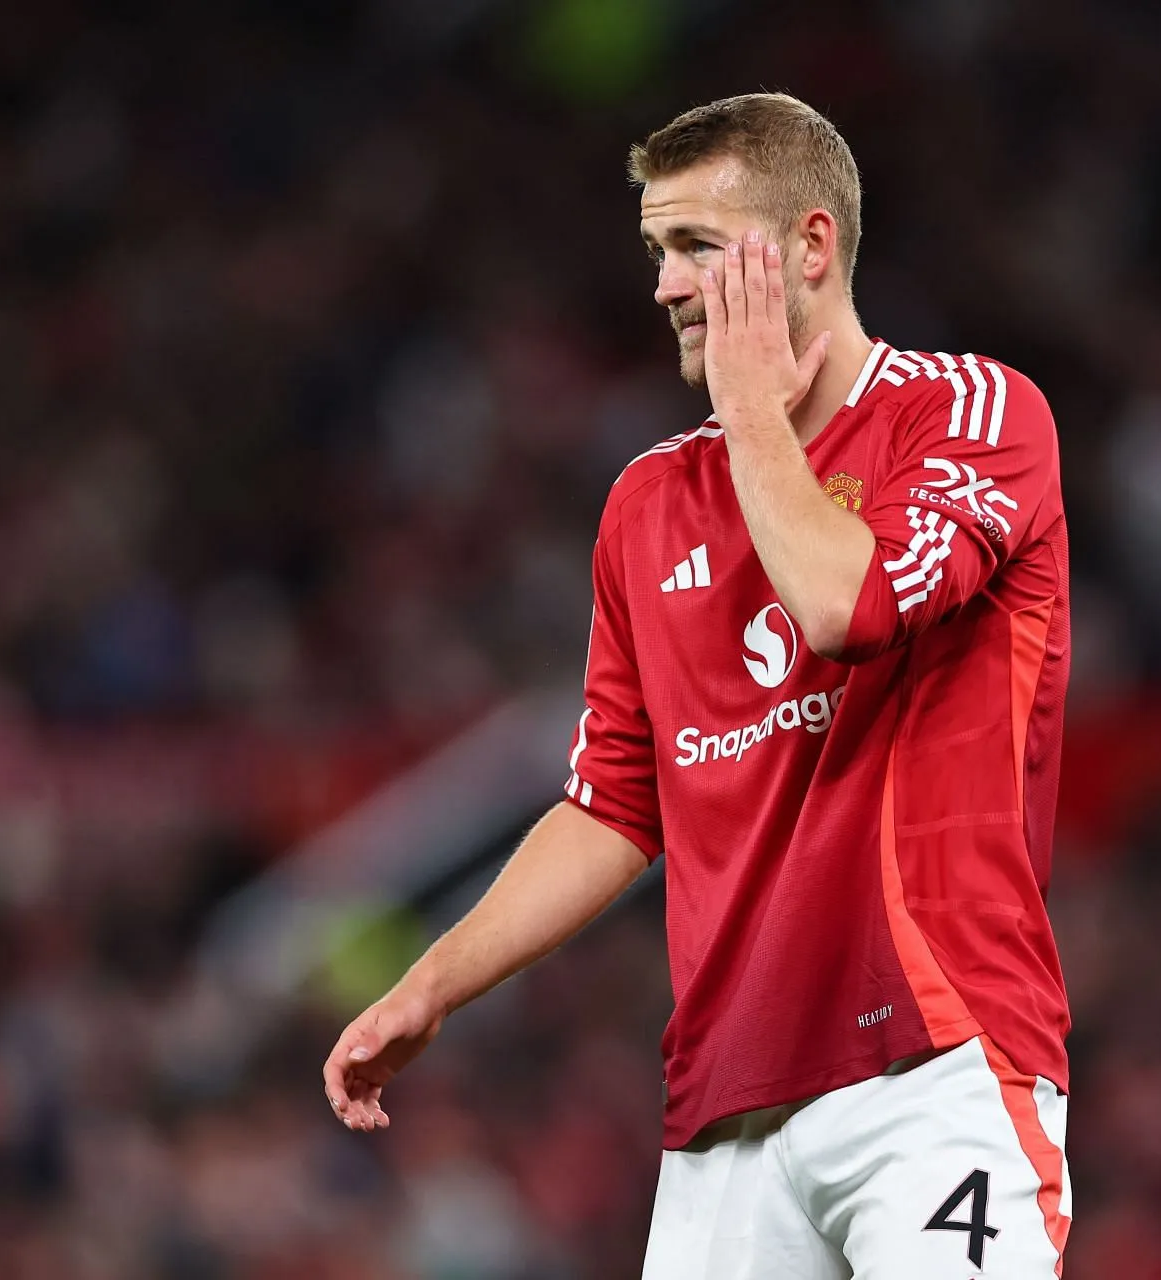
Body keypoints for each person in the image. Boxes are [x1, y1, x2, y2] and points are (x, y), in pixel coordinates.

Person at [322, 92, 1072, 1279]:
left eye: (697, 249)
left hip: (938, 1066)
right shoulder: (646, 504)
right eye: (657, 252)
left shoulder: (970, 414)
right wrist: (434, 982)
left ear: (812, 247)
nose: (666, 286)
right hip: (726, 1117)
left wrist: (751, 414)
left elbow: (844, 607)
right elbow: (616, 802)